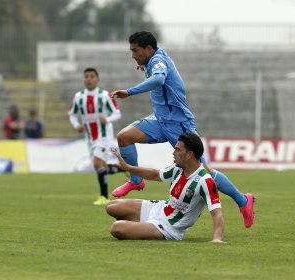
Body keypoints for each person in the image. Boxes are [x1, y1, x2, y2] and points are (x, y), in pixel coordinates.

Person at [109, 31, 254, 228]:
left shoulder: (158, 60)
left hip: (179, 122)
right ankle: (136, 181)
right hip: (160, 120)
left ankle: (243, 200)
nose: (132, 55)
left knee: (204, 171)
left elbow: (159, 80)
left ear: (149, 49)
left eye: (135, 51)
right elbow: (157, 75)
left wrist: (129, 91)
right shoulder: (152, 60)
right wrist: (144, 66)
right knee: (124, 137)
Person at [106, 133, 224, 242]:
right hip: (160, 208)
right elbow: (155, 174)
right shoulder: (178, 168)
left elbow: (217, 213)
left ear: (189, 154)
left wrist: (217, 239)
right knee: (111, 206)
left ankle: (141, 228)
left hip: (169, 227)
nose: (173, 153)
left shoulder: (205, 180)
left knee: (116, 228)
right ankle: (141, 227)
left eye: (177, 149)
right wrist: (128, 167)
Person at [68, 67, 123, 205]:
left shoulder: (104, 95)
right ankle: (123, 168)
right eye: (86, 76)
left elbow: (117, 113)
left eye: (92, 76)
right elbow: (72, 114)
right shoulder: (78, 97)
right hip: (89, 136)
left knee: (97, 164)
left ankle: (104, 197)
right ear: (83, 79)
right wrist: (76, 125)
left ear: (97, 79)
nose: (89, 79)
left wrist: (108, 119)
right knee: (101, 167)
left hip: (104, 135)